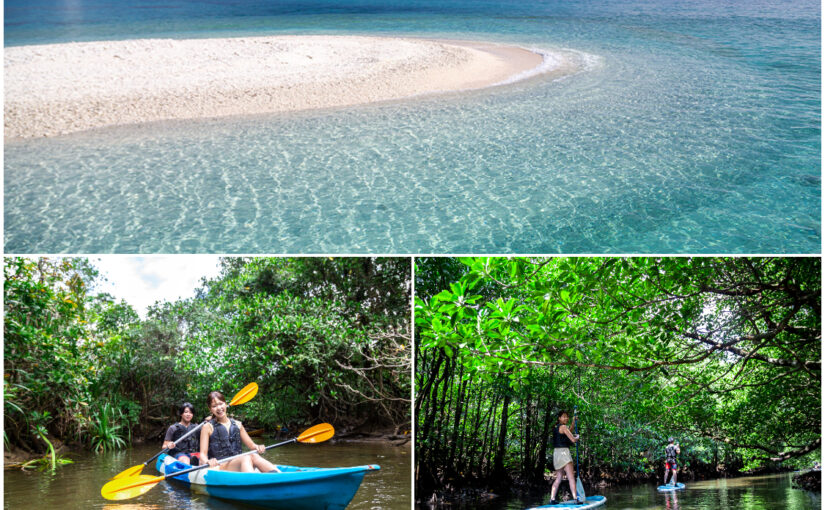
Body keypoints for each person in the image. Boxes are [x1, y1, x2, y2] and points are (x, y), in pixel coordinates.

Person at [200, 391, 281, 473]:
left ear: (225, 404)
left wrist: (258, 447)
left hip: (238, 462)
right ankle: (254, 482)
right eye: (214, 406)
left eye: (221, 404)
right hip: (220, 466)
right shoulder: (207, 427)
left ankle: (279, 475)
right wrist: (208, 461)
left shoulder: (238, 425)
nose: (219, 408)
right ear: (210, 409)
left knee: (253, 455)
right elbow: (202, 455)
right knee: (246, 458)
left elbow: (252, 446)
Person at [548, 410, 582, 505]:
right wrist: (577, 437)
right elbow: (573, 439)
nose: (566, 418)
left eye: (567, 416)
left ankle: (552, 499)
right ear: (559, 418)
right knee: (571, 477)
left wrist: (573, 422)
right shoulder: (563, 427)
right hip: (564, 453)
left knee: (558, 478)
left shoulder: (557, 427)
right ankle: (576, 499)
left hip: (556, 454)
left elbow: (568, 432)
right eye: (563, 416)